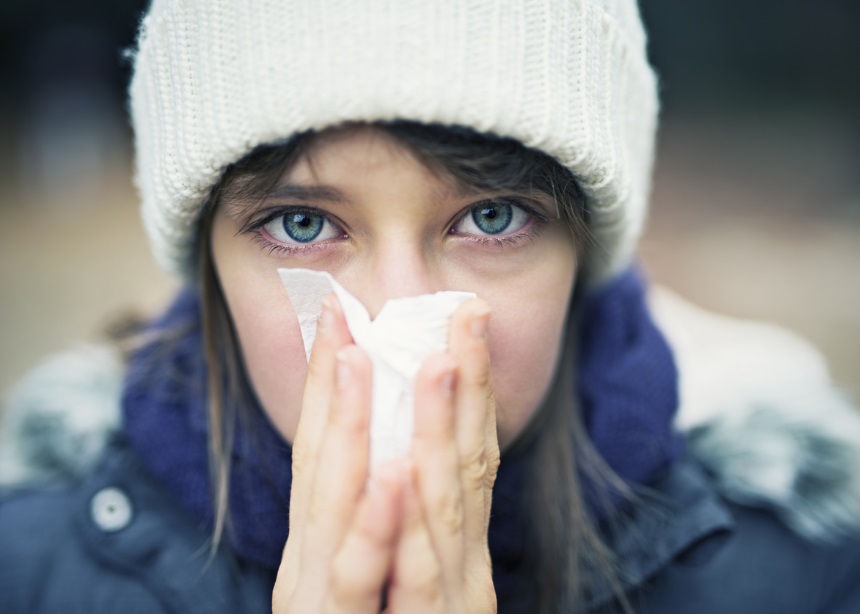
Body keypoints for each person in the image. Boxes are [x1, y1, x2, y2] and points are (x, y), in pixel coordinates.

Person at [1, 0, 859, 612]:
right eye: (303, 224)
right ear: (209, 267)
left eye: (491, 217)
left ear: (581, 258)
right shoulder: (30, 570)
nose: (397, 325)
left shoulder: (807, 572)